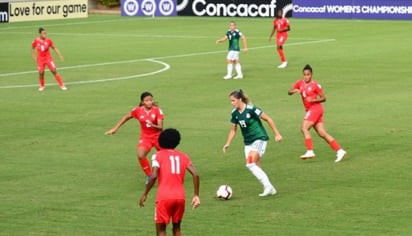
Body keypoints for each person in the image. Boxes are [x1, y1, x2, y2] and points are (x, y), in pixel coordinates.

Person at [139, 128, 200, 236]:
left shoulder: (157, 155)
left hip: (164, 197)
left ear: (161, 141)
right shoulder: (183, 156)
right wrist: (196, 195)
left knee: (161, 231)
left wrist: (145, 193)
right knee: (177, 229)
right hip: (180, 197)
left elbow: (153, 176)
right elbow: (195, 174)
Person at [223, 89, 283, 196]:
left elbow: (268, 119)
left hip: (259, 138)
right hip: (248, 142)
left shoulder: (252, 109)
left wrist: (277, 134)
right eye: (231, 101)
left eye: (233, 101)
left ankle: (267, 187)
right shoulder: (234, 114)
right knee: (256, 165)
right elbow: (233, 129)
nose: (231, 103)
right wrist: (228, 143)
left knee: (250, 163)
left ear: (240, 100)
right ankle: (271, 188)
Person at [288, 64, 347, 163]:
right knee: (322, 133)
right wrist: (294, 91)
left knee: (304, 128)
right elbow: (289, 92)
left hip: (315, 109)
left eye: (308, 74)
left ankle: (310, 151)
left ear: (311, 75)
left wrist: (313, 100)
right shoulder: (300, 83)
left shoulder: (315, 85)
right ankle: (340, 151)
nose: (306, 76)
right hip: (311, 110)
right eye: (304, 74)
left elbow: (324, 98)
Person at [105, 92, 164, 181]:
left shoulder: (157, 110)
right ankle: (150, 176)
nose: (149, 102)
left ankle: (177, 169)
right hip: (145, 137)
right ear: (142, 102)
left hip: (158, 137)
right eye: (147, 100)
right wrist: (115, 128)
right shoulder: (137, 110)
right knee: (140, 155)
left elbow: (160, 127)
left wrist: (153, 125)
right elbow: (126, 117)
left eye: (151, 100)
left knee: (168, 154)